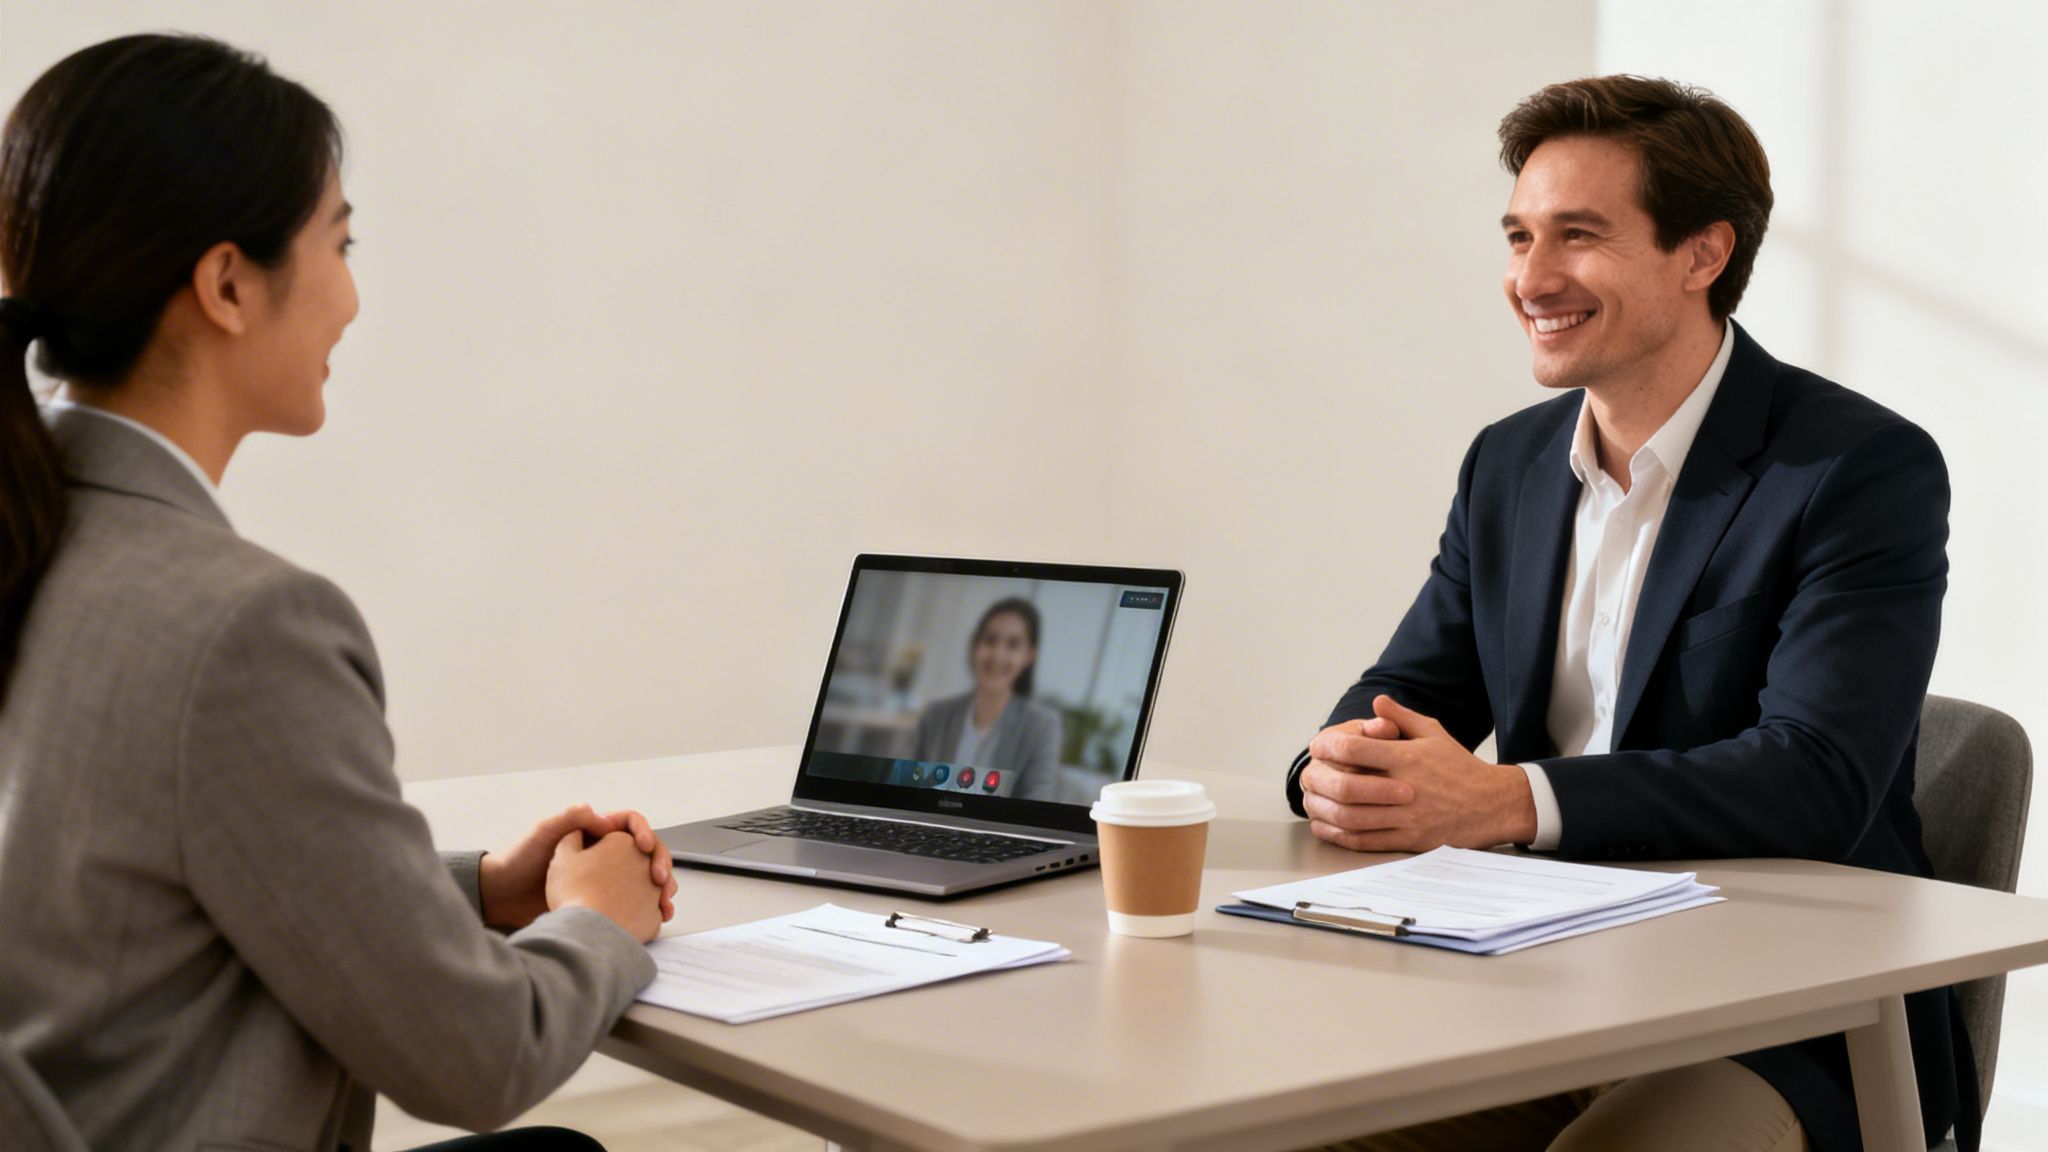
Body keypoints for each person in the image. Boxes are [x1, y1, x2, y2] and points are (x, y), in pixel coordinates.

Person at [0, 34, 678, 1152]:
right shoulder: (241, 628)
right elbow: (478, 1055)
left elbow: (143, 891)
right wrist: (596, 924)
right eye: (339, 242)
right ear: (226, 285)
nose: (353, 299)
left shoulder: (34, 541)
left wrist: (474, 891)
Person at [1284, 76, 1970, 1152]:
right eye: (1517, 236)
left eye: (1577, 236)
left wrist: (1507, 800)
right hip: (1528, 979)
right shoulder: (1506, 463)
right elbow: (1409, 690)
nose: (1528, 277)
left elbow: (1814, 777)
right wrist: (1339, 769)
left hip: (1779, 1011)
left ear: (1701, 253)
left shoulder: (1851, 467)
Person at [909, 597, 1064, 800]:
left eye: (1013, 644)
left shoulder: (1042, 727)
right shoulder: (935, 715)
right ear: (975, 646)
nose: (998, 655)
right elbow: (909, 790)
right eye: (990, 640)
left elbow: (1037, 803)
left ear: (1029, 657)